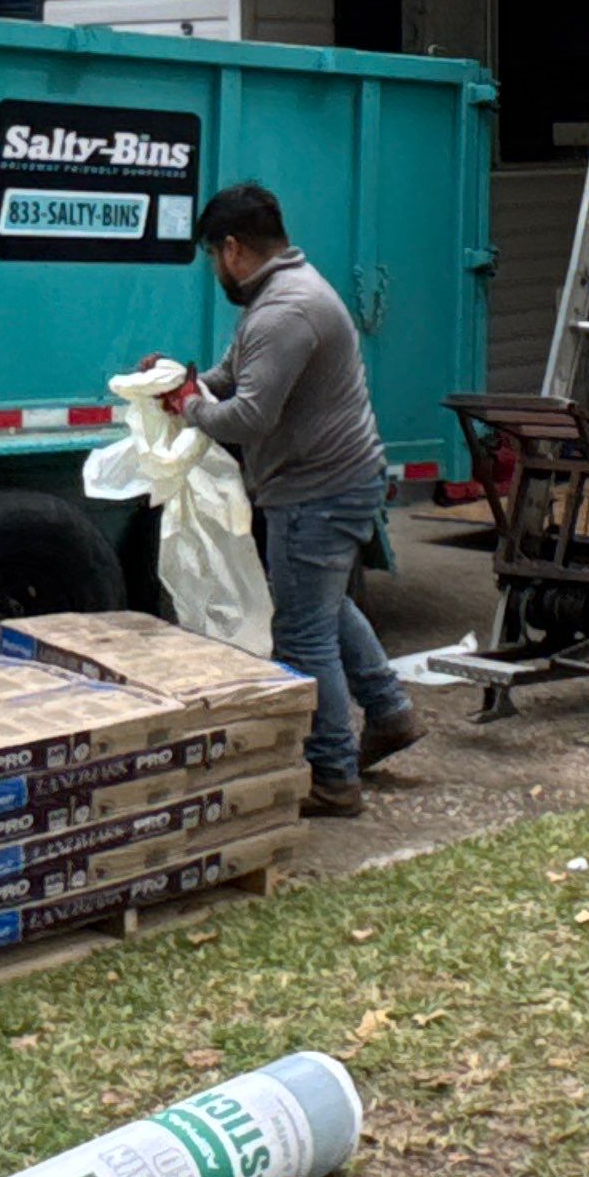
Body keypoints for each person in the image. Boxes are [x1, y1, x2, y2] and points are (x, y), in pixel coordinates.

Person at [146, 184, 423, 818]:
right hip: (336, 482)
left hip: (317, 492)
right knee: (323, 606)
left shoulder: (283, 313)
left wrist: (190, 409)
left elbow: (249, 417)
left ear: (233, 249)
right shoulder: (282, 295)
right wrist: (182, 384)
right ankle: (390, 713)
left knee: (302, 633)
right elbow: (231, 378)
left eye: (213, 257)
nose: (215, 270)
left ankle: (333, 776)